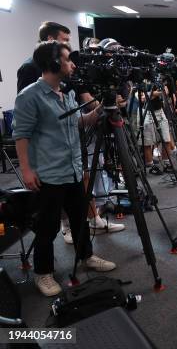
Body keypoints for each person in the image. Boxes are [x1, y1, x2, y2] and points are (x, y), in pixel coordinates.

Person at [13, 41, 116, 297]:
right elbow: (21, 136)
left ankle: (87, 257)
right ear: (55, 62)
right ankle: (43, 274)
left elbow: (77, 123)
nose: (72, 64)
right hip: (48, 173)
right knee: (47, 227)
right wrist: (26, 171)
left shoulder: (67, 94)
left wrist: (100, 111)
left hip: (72, 169)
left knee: (80, 217)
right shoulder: (29, 96)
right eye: (68, 59)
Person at [17, 21, 71, 94]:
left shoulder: (63, 66)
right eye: (65, 40)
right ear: (50, 39)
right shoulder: (28, 67)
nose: (68, 44)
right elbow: (24, 100)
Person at [142, 85, 175, 175]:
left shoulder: (155, 78)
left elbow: (166, 91)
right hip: (147, 112)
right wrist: (155, 93)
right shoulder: (142, 81)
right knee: (148, 142)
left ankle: (167, 163)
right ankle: (151, 165)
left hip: (160, 111)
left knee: (166, 139)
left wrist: (152, 94)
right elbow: (142, 98)